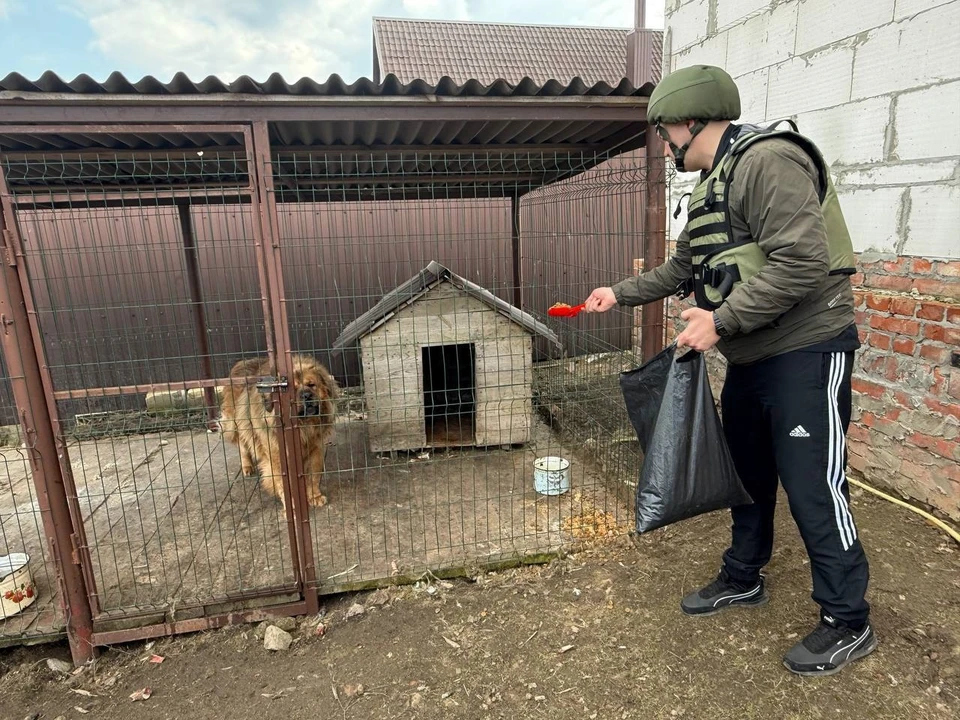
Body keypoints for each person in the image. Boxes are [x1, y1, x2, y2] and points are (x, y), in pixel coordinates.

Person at [585, 65, 875, 676]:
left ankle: (848, 619)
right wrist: (619, 291)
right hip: (752, 353)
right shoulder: (714, 184)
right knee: (746, 474)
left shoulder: (769, 161)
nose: (665, 145)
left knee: (813, 486)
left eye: (665, 133)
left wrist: (717, 323)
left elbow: (801, 262)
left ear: (690, 122)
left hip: (807, 349)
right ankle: (744, 576)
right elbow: (682, 268)